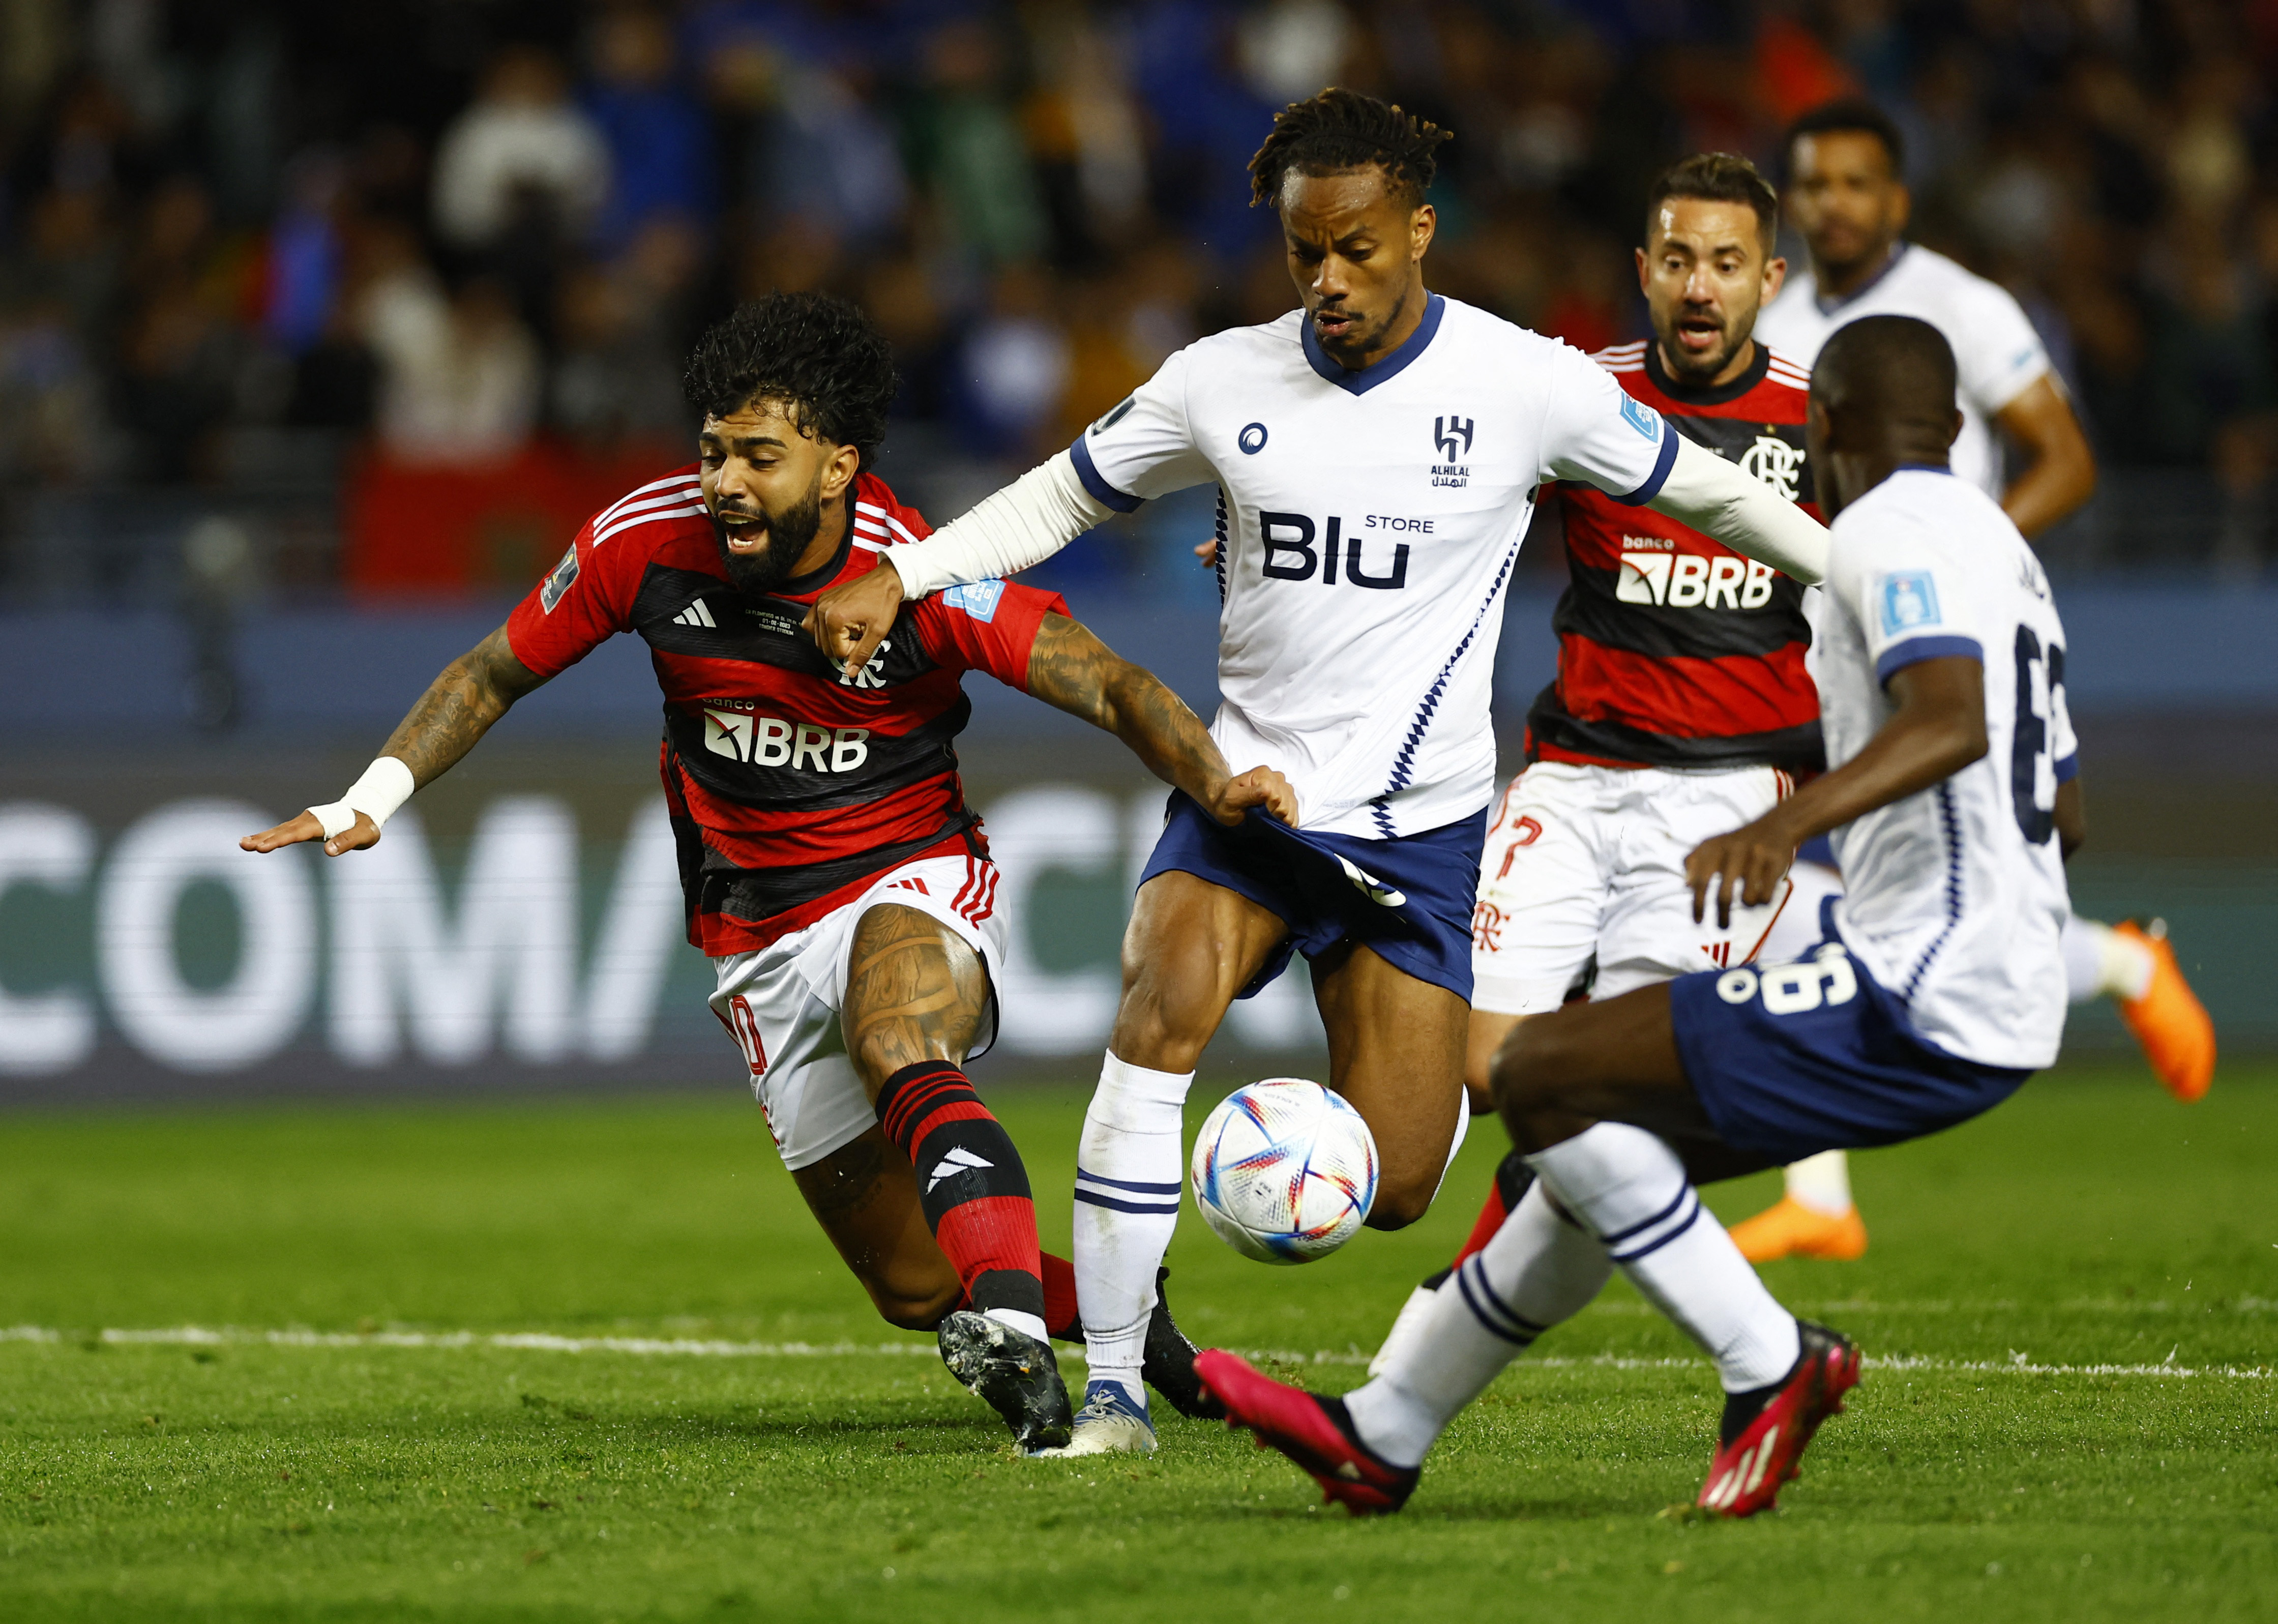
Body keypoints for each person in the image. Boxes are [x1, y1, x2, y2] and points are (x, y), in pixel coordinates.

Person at [808, 89, 1835, 1457]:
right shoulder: (1218, 381)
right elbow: (1061, 494)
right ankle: (1111, 1393)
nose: (1329, 279)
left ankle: (1264, 1230)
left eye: (1356, 248)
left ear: (1419, 231)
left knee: (1397, 1183)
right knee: (1159, 1009)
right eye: (1305, 252)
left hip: (1418, 835)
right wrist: (908, 571)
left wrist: (1872, 579)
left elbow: (1709, 491)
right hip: (1250, 799)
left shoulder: (1523, 384)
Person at [240, 292, 1294, 1455]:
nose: (724, 483)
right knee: (908, 1283)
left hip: (908, 871)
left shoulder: (919, 570)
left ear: (837, 467)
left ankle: (1017, 1345)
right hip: (755, 932)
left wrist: (1214, 781)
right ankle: (1131, 1325)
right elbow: (493, 672)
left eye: (758, 456)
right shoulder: (644, 542)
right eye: (711, 452)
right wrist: (370, 797)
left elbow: (1108, 683)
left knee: (897, 1034)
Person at [1197, 314, 2080, 1518]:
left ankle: (1769, 1362)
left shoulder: (1884, 531)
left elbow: (1949, 719)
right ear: (1955, 425)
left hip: (1921, 977)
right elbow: (2062, 806)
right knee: (1594, 1156)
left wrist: (1786, 825)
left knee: (1542, 1074)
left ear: (1820, 425)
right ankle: (1381, 1432)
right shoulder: (1999, 550)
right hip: (1992, 979)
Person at [1370, 151, 1823, 1378]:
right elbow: (1432, 498)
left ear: (1768, 279)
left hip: (1723, 805)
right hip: (1569, 782)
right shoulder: (1579, 397)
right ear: (1642, 269)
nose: (1698, 285)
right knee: (1489, 1068)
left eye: (1724, 263)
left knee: (1610, 1086)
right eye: (1676, 259)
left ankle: (1451, 1319)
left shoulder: (1815, 418)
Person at [1744, 98, 2213, 1262]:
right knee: (1831, 876)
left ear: (1894, 198)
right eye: (1813, 184)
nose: (1832, 204)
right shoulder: (1779, 318)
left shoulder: (1962, 305)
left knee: (1900, 871)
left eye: (1855, 183)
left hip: (1942, 629)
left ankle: (2115, 961)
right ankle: (1821, 1192)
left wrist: (1960, 555)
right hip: (1821, 619)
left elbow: (2066, 457)